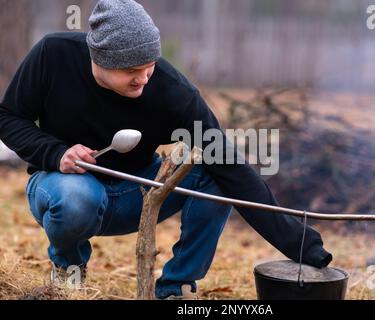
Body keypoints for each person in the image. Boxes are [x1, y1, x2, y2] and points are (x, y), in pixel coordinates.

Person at [0, 0, 332, 299]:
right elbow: (8, 117)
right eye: (131, 71)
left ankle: (176, 290)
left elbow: (231, 167)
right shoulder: (53, 55)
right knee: (75, 197)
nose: (143, 79)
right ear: (98, 58)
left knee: (214, 172)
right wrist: (56, 153)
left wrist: (303, 245)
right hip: (64, 187)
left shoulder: (172, 92)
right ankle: (68, 275)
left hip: (139, 193)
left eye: (150, 66)